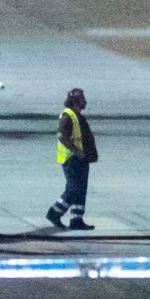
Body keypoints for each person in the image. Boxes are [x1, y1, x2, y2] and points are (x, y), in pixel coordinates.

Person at [47, 87, 97, 231]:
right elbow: (61, 136)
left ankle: (76, 219)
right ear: (75, 101)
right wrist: (77, 152)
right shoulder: (68, 116)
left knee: (81, 189)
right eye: (82, 99)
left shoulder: (76, 115)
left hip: (81, 158)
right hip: (72, 159)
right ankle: (54, 213)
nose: (85, 101)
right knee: (73, 189)